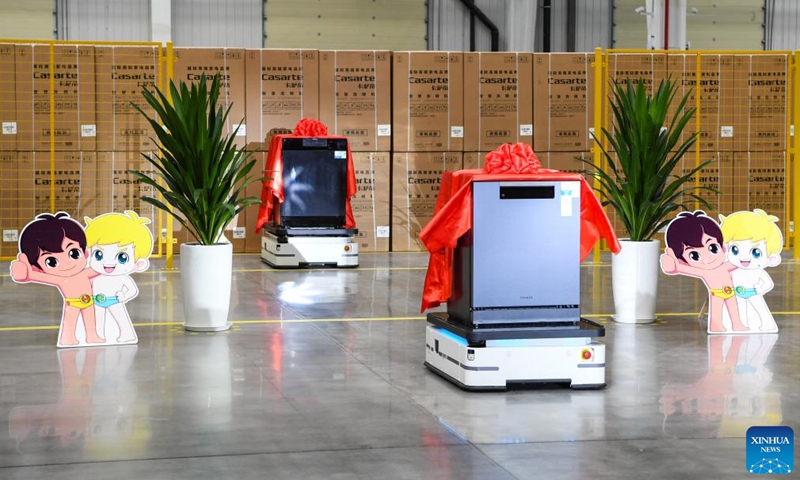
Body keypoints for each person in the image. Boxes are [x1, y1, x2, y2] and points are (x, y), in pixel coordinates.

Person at [10, 212, 105, 346]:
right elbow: (34, 276)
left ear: (85, 253)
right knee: (70, 322)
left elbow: (100, 269)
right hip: (72, 303)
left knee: (90, 320)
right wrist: (27, 273)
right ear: (38, 267)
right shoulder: (61, 279)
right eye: (51, 261)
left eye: (73, 253)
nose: (67, 263)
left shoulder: (84, 273)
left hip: (89, 302)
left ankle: (92, 336)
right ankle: (68, 339)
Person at [660, 210, 748, 333]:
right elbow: (681, 268)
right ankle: (716, 326)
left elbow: (736, 263)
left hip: (730, 291)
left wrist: (746, 259)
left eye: (712, 248)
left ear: (722, 247)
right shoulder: (705, 272)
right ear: (683, 260)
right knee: (716, 312)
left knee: (734, 310)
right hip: (716, 293)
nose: (708, 258)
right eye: (694, 255)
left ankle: (737, 324)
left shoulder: (723, 266)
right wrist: (674, 266)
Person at [84, 211, 153, 344]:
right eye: (98, 254)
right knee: (97, 320)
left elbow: (132, 290)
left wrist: (124, 296)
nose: (108, 263)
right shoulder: (95, 275)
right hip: (97, 300)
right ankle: (98, 336)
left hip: (115, 300)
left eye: (122, 257)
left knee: (121, 318)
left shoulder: (122, 278)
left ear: (138, 263)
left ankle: (127, 335)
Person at [718, 209, 783, 333]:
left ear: (771, 257)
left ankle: (767, 324)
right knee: (740, 310)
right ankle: (742, 325)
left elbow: (768, 283)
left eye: (756, 252)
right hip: (737, 293)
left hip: (754, 292)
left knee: (760, 308)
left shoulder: (758, 272)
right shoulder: (733, 270)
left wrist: (760, 288)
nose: (744, 258)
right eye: (735, 250)